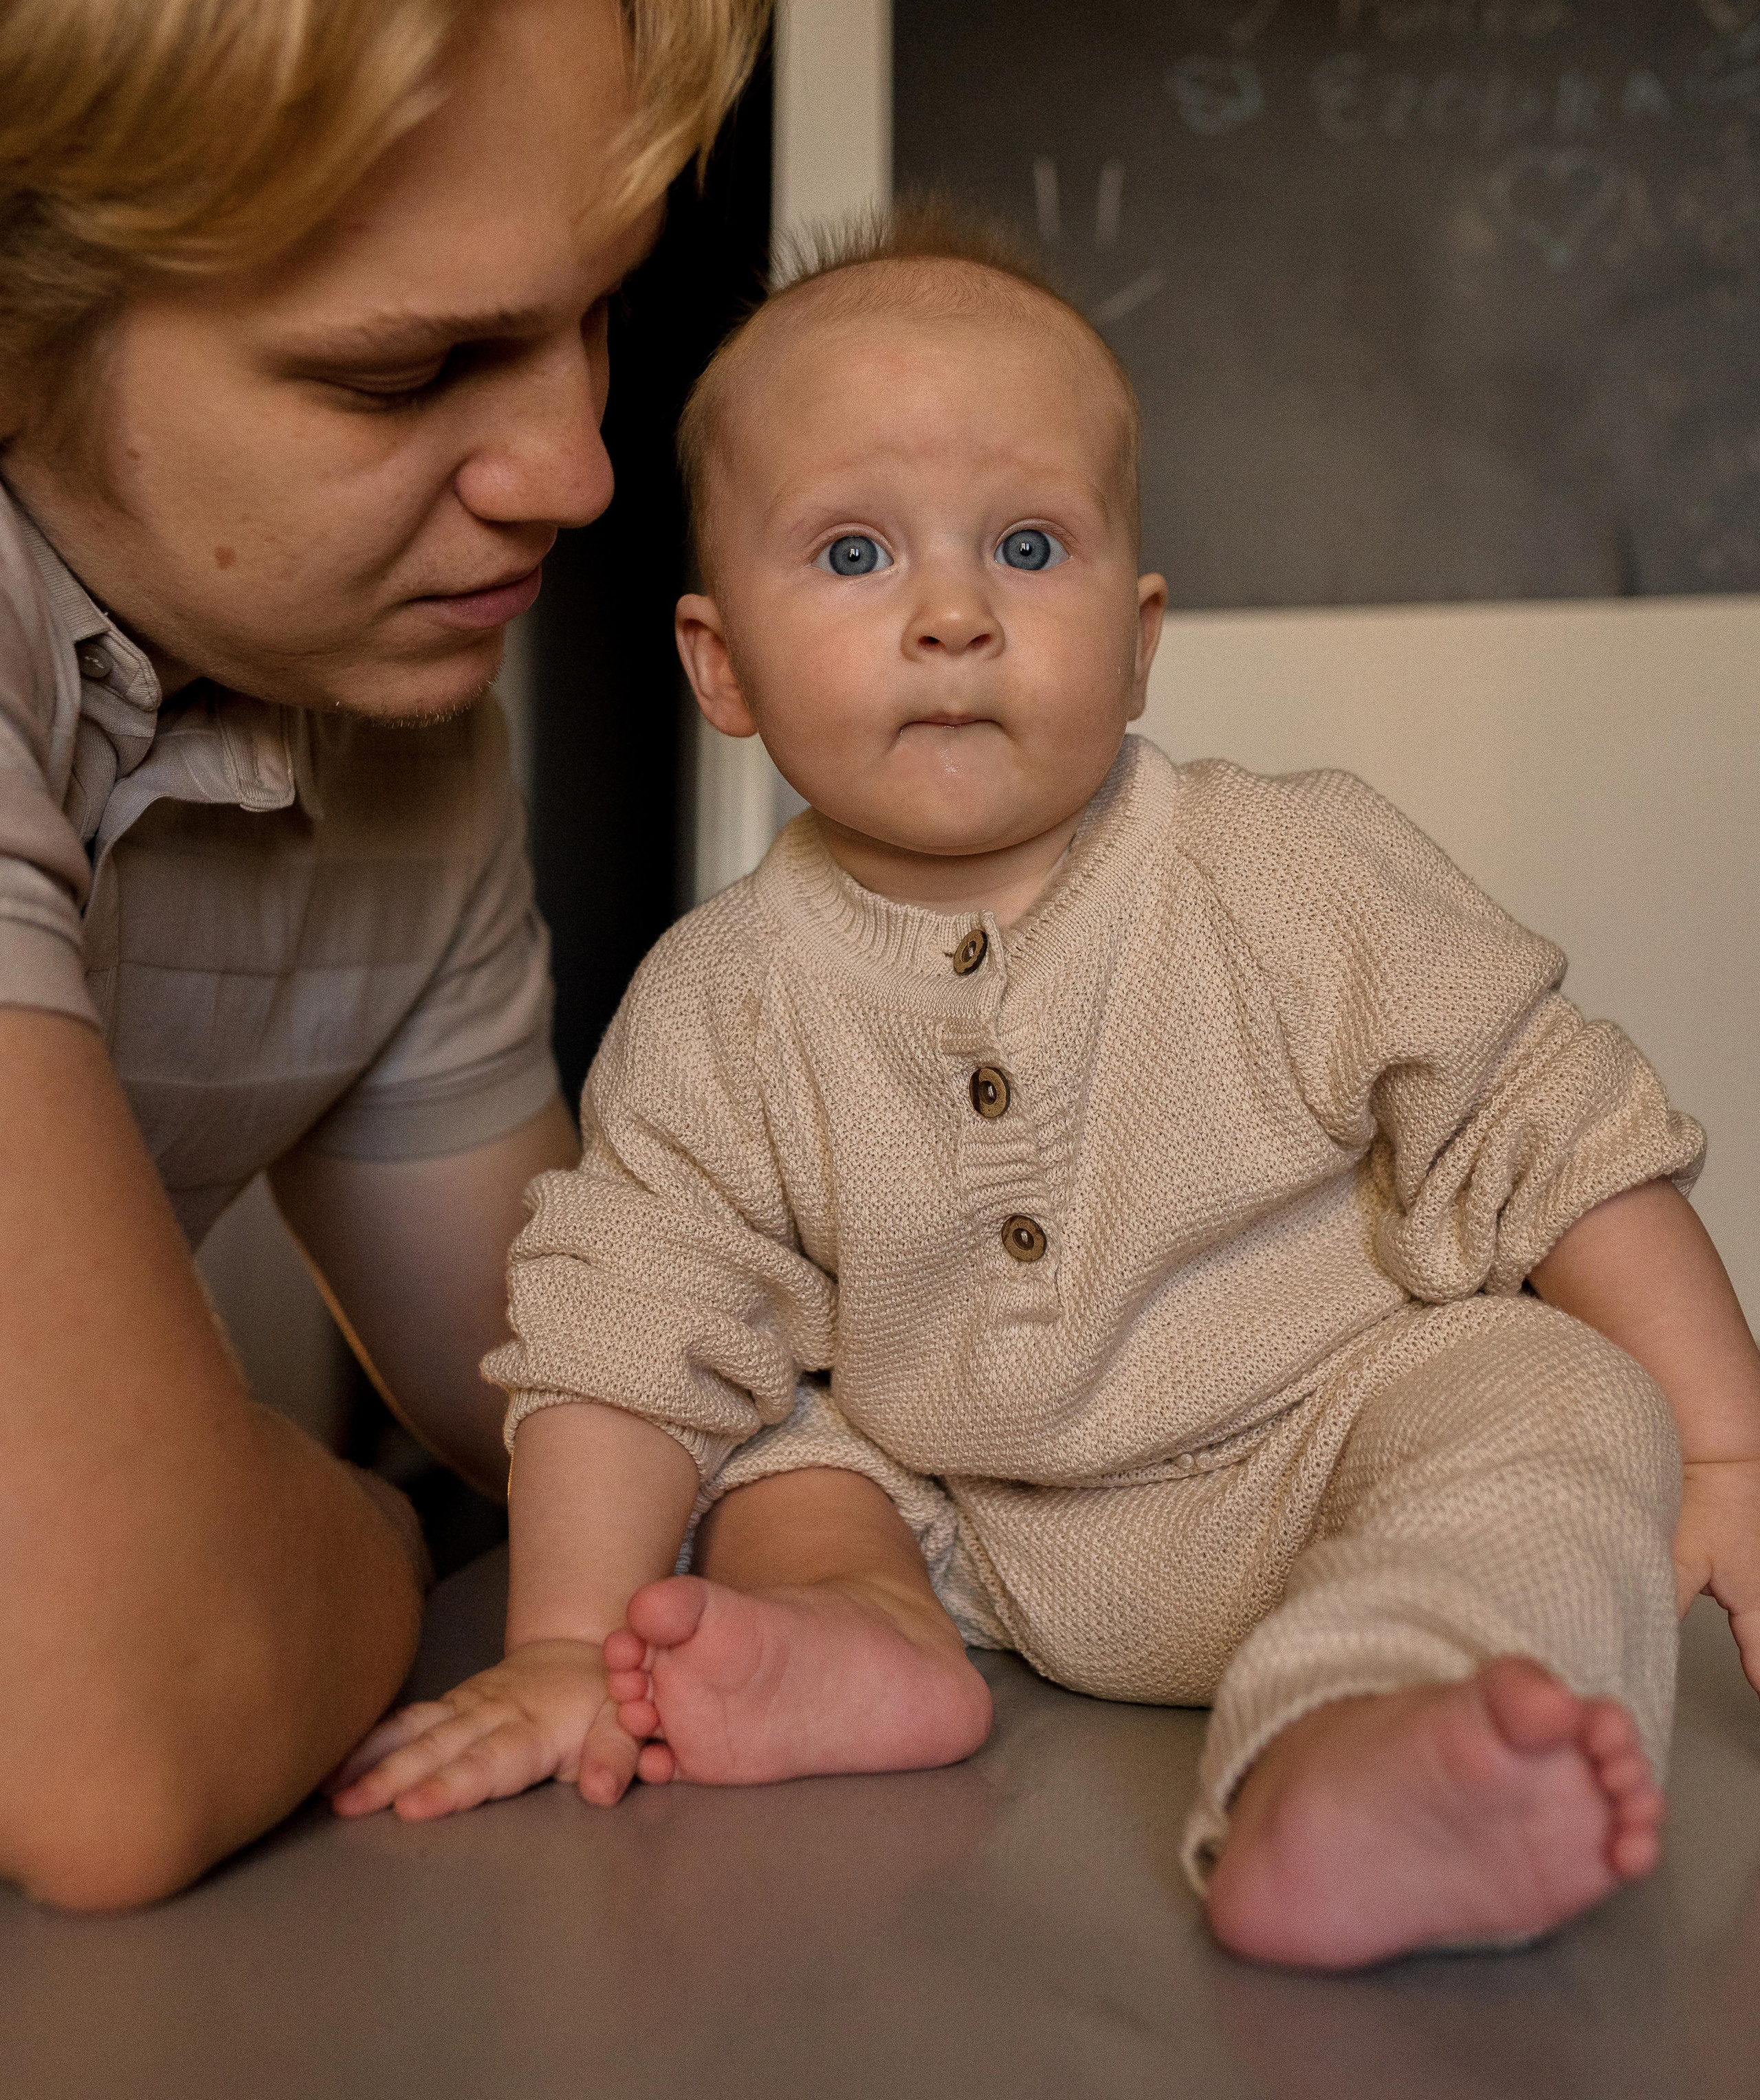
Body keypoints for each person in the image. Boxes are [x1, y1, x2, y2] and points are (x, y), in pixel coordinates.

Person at [333, 202, 1760, 1971]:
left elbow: (1545, 1124)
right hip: (963, 1527)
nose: (949, 614)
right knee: (772, 1443)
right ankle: (856, 1642)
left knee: (1551, 1406)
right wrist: (562, 1646)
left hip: (1325, 1443)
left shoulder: (1287, 869)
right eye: (853, 556)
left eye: (1024, 543)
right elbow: (624, 1329)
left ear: (1140, 631)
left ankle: (1363, 1740)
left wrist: (1719, 1440)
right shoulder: (717, 1003)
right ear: (720, 665)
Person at [0, 0, 766, 1910]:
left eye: (593, 320)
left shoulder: (383, 702)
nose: (577, 478)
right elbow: (116, 1724)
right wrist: (330, 1521)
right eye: (406, 368)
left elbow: (575, 1395)